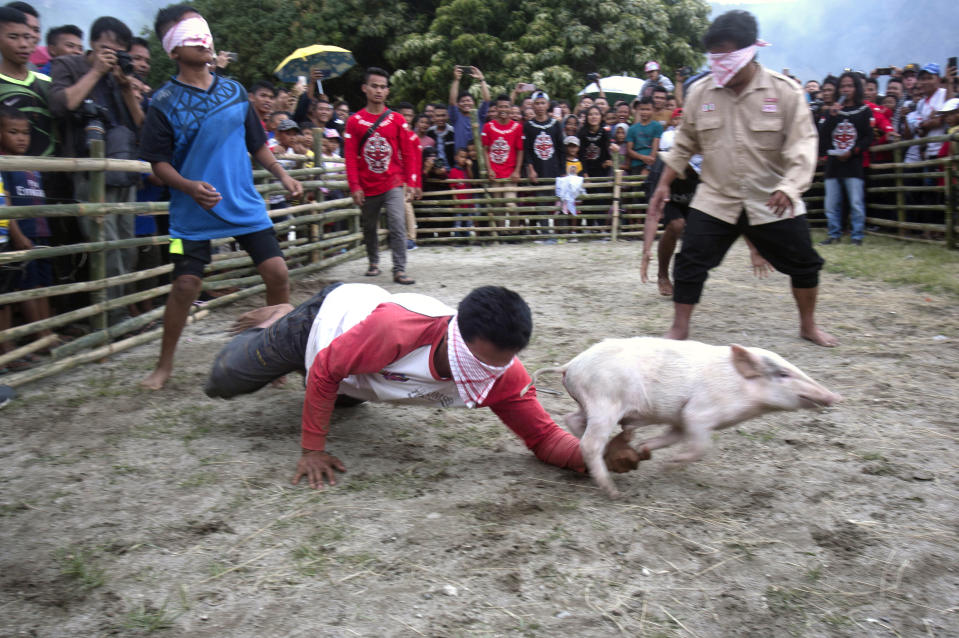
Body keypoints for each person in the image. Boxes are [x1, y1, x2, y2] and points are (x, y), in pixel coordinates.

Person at [204, 283, 645, 489]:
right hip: (321, 327)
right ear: (459, 337)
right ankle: (277, 318)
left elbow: (544, 438)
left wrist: (595, 454)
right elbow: (323, 370)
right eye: (478, 362)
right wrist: (312, 448)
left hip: (361, 379)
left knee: (342, 398)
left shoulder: (503, 374)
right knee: (224, 380)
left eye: (503, 363)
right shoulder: (396, 331)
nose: (487, 376)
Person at [647, 9, 837, 347]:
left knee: (805, 262)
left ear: (749, 51)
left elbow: (803, 146)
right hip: (716, 197)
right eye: (714, 53)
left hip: (772, 197)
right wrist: (663, 184)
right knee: (690, 259)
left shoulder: (785, 92)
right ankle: (679, 327)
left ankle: (808, 325)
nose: (719, 62)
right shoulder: (701, 92)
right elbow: (684, 143)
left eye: (726, 52)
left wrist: (790, 186)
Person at [138, 4, 302, 390]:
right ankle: (163, 367)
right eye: (187, 32)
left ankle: (274, 357)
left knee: (277, 273)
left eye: (202, 29)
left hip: (243, 205)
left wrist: (282, 176)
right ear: (172, 49)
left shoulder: (235, 91)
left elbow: (257, 144)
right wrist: (189, 187)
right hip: (189, 213)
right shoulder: (162, 102)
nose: (202, 38)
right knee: (185, 286)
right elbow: (157, 164)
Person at [49, 15, 144, 323]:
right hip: (90, 171)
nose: (114, 53)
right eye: (108, 46)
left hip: (124, 168)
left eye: (120, 48)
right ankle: (109, 320)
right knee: (105, 247)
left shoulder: (121, 77)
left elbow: (141, 126)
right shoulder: (71, 65)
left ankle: (119, 313)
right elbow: (61, 105)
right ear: (92, 43)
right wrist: (97, 71)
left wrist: (125, 85)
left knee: (126, 246)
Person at [344, 67, 419, 285]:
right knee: (369, 226)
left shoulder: (396, 119)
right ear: (365, 88)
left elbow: (408, 153)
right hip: (367, 185)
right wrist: (355, 186)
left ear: (387, 91)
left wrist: (411, 181)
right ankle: (373, 261)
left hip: (393, 182)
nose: (379, 90)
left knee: (397, 223)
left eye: (383, 87)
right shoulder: (355, 121)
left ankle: (399, 268)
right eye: (374, 86)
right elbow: (350, 157)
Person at [0, 105, 54, 353]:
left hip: (41, 231)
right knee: (25, 287)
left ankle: (47, 332)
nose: (21, 138)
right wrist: (18, 234)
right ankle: (36, 336)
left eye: (25, 133)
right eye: (13, 132)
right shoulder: (5, 165)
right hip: (22, 234)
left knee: (43, 285)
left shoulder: (32, 164)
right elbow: (5, 201)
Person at [817, 72, 872, 246]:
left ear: (856, 88)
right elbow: (823, 136)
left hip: (853, 162)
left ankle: (857, 235)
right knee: (831, 203)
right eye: (843, 86)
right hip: (834, 163)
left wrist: (854, 151)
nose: (846, 90)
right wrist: (832, 116)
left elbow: (868, 137)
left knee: (856, 201)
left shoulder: (864, 110)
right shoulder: (833, 111)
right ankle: (834, 233)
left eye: (850, 86)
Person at [0, 6, 53, 157]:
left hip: (50, 172)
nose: (23, 44)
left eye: (27, 37)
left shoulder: (47, 83)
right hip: (7, 174)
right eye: (13, 37)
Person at [480, 94, 524, 228]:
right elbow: (485, 150)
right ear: (496, 108)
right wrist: (489, 169)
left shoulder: (517, 127)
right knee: (497, 203)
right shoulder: (488, 126)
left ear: (511, 108)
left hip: (510, 172)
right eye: (500, 106)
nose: (503, 109)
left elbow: (520, 150)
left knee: (511, 203)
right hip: (495, 171)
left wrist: (517, 171)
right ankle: (500, 232)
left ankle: (514, 231)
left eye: (506, 106)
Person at [448, 66, 489, 153]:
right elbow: (452, 102)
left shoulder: (479, 115)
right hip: (461, 159)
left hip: (478, 158)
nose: (466, 103)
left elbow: (487, 100)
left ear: (473, 103)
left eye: (468, 100)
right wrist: (456, 80)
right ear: (458, 105)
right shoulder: (456, 117)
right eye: (463, 101)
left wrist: (481, 79)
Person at [625, 96, 662, 176]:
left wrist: (648, 168)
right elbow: (629, 150)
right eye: (642, 109)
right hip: (636, 165)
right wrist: (643, 157)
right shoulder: (632, 129)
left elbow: (655, 148)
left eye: (648, 109)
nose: (644, 112)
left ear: (653, 110)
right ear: (638, 110)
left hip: (652, 165)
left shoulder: (657, 126)